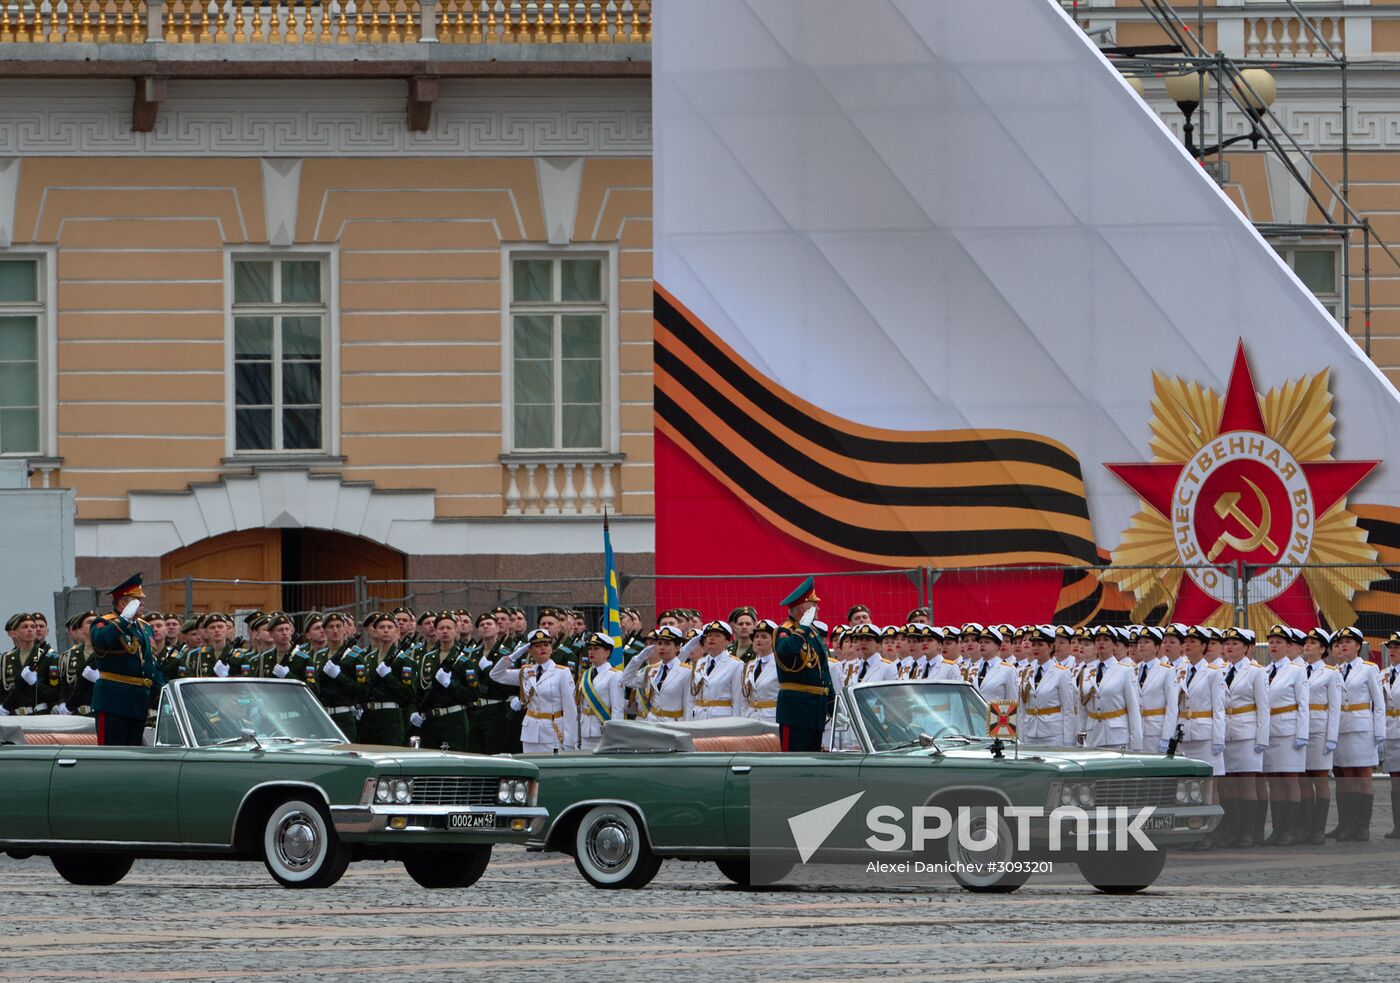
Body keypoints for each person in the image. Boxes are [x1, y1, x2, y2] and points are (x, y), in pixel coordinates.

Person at [86, 574, 165, 746]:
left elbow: (151, 662)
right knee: (112, 755)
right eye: (137, 600)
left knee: (133, 756)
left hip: (138, 702)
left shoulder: (144, 627)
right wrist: (123, 621)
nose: (143, 603)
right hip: (114, 701)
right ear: (123, 604)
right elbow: (101, 642)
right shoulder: (104, 623)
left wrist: (162, 694)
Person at [1329, 627, 1385, 841]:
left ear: (1358, 646)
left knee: (1362, 777)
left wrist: (1379, 732)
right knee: (1345, 777)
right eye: (1341, 642)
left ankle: (1362, 826)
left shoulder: (1369, 669)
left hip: (1362, 727)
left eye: (1348, 642)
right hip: (1341, 728)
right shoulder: (1336, 670)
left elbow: (1378, 704)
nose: (1343, 645)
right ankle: (1347, 823)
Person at [1218, 627, 1269, 848]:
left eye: (1235, 643)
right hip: (1227, 732)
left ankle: (1249, 831)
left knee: (1246, 783)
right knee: (1229, 784)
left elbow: (1263, 707)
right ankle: (1232, 829)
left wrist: (1262, 739)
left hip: (1247, 732)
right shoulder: (1220, 670)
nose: (1229, 646)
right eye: (1227, 642)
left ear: (1247, 648)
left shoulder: (1256, 671)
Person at [1260, 625, 1311, 846]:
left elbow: (1303, 705)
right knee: (1275, 781)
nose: (1273, 645)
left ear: (1289, 646)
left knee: (1290, 781)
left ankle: (1291, 829)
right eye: (1271, 642)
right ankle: (1278, 828)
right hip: (1270, 731)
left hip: (1289, 731)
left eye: (1279, 642)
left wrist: (1302, 733)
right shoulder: (1264, 671)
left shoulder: (1297, 670)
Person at [490, 627, 577, 753]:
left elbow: (570, 710)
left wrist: (570, 742)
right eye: (538, 646)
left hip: (553, 732)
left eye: (546, 645)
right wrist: (514, 656)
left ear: (551, 648)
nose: (543, 648)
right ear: (530, 650)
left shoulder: (562, 672)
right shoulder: (526, 671)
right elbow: (495, 675)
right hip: (530, 733)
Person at [774, 577, 835, 753]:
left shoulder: (813, 634)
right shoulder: (785, 631)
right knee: (793, 762)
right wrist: (803, 628)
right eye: (814, 605)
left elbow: (823, 671)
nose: (818, 609)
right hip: (796, 711)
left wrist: (833, 706)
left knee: (812, 762)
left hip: (816, 710)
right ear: (803, 608)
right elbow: (787, 652)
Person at [1177, 629, 1225, 847]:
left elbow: (1219, 709)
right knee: (1187, 786)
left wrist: (1218, 739)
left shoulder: (1214, 672)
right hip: (1184, 732)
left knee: (1209, 785)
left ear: (1204, 646)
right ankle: (1191, 830)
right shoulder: (1180, 670)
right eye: (1186, 640)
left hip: (1205, 733)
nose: (1188, 644)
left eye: (1193, 641)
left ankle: (1211, 832)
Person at [1301, 628, 1341, 845]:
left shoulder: (1330, 673)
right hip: (1301, 730)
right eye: (1306, 642)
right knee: (1305, 780)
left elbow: (1335, 707)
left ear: (1323, 649)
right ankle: (1307, 826)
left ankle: (1319, 828)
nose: (1307, 645)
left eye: (1313, 643)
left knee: (1320, 779)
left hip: (1319, 728)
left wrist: (1331, 737)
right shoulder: (1299, 670)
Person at [410, 613, 472, 751]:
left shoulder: (463, 659)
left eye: (449, 628)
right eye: (441, 628)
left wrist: (450, 684)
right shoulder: (427, 658)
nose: (445, 631)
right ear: (436, 631)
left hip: (454, 720)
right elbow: (419, 691)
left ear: (456, 630)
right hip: (430, 721)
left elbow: (472, 694)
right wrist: (414, 711)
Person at [1079, 625, 1143, 751]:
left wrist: (1136, 743)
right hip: (1093, 735)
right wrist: (1080, 734)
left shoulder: (1125, 671)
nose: (1101, 642)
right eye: (1098, 640)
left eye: (1106, 639)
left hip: (1117, 736)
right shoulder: (1086, 672)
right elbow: (1082, 709)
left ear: (1114, 645)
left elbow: (1134, 709)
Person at [1018, 626, 1077, 747]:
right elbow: (1022, 708)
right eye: (1033, 644)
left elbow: (1068, 710)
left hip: (1053, 734)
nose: (1035, 648)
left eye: (1040, 644)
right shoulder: (1027, 672)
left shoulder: (1061, 673)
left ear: (1051, 647)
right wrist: (1021, 736)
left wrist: (1068, 742)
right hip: (1030, 733)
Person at [359, 612, 409, 746]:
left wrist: (388, 677)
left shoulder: (403, 659)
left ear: (397, 631)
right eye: (381, 627)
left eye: (389, 627)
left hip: (390, 716)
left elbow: (408, 694)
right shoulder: (368, 659)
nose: (385, 630)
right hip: (369, 716)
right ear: (375, 631)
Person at [317, 612, 365, 741]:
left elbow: (362, 691)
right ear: (324, 630)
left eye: (339, 626)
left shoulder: (354, 658)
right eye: (330, 627)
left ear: (345, 629)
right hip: (323, 716)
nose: (335, 630)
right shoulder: (319, 657)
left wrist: (339, 676)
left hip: (344, 715)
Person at [577, 631, 625, 751]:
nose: (591, 652)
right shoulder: (586, 674)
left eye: (596, 648)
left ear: (607, 652)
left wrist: (615, 735)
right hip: (585, 731)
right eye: (590, 648)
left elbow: (617, 708)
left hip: (603, 732)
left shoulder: (615, 675)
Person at [1134, 627, 1179, 753]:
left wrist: (1167, 737)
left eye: (1146, 642)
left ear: (1156, 648)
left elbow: (1172, 706)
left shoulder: (1167, 671)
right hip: (1137, 730)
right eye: (1139, 642)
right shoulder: (1133, 670)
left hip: (1156, 730)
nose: (1141, 645)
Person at [689, 620, 744, 719]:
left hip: (722, 719)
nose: (711, 638)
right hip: (699, 717)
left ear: (727, 641)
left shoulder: (736, 665)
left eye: (717, 635)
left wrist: (736, 725)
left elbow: (738, 700)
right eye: (709, 635)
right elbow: (692, 697)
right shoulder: (700, 663)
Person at [742, 619, 780, 721]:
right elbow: (744, 698)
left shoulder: (780, 665)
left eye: (764, 637)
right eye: (756, 637)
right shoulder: (749, 666)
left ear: (773, 640)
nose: (759, 640)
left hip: (772, 718)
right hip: (750, 718)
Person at [1383, 631, 1400, 839]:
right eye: (1390, 647)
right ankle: (1398, 825)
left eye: (1397, 647)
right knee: (1395, 779)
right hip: (1390, 730)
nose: (1393, 650)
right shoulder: (1383, 673)